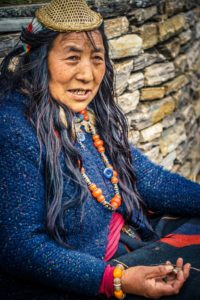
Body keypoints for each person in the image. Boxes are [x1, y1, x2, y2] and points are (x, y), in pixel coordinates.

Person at [0, 1, 200, 300]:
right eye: (72, 57)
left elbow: (147, 179)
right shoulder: (14, 129)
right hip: (87, 268)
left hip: (125, 233)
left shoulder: (83, 114)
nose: (88, 75)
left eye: (97, 58)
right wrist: (117, 280)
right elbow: (19, 247)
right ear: (38, 59)